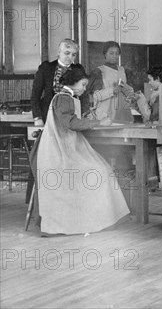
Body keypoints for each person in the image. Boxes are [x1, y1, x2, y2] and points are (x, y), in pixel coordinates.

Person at [36, 68, 130, 235]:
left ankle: (99, 219)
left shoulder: (69, 98)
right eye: (83, 84)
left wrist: (89, 118)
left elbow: (72, 120)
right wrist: (98, 123)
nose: (85, 88)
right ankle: (94, 220)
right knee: (99, 171)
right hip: (58, 152)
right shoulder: (63, 98)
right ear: (73, 82)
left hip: (67, 146)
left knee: (101, 169)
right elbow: (70, 123)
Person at [31, 38, 87, 126]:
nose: (70, 57)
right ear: (59, 52)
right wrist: (37, 117)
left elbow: (84, 96)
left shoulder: (78, 69)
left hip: (72, 114)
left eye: (73, 54)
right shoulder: (46, 68)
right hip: (49, 114)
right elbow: (35, 95)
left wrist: (84, 114)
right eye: (67, 53)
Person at [87, 41, 134, 122]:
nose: (114, 56)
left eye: (117, 53)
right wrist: (112, 91)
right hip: (105, 114)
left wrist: (131, 94)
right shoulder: (98, 72)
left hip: (123, 113)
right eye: (111, 53)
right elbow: (94, 96)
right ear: (105, 54)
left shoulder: (123, 70)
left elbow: (127, 90)